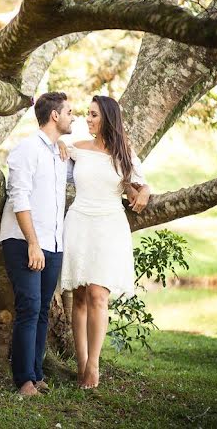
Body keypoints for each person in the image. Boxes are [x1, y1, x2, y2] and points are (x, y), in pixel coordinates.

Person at [59, 95, 151, 389]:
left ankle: (94, 366)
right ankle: (81, 363)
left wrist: (143, 191)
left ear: (107, 119)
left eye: (93, 115)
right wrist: (61, 145)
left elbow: (139, 182)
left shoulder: (124, 152)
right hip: (79, 222)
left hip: (109, 225)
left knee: (99, 294)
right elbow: (56, 148)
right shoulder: (78, 150)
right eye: (86, 114)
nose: (87, 119)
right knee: (80, 295)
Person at [0, 92, 75, 396]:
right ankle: (23, 381)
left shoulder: (59, 153)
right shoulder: (26, 150)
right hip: (24, 241)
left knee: (43, 308)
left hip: (53, 244)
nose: (74, 117)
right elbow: (19, 198)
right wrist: (32, 243)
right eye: (70, 112)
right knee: (29, 307)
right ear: (54, 115)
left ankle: (37, 373)